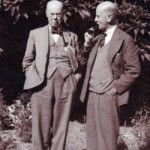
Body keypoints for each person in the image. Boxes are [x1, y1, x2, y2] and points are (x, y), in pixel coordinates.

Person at [80, 1, 141, 150]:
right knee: (92, 137)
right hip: (92, 94)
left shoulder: (125, 39)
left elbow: (134, 69)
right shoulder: (98, 38)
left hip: (109, 96)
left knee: (107, 139)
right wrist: (86, 45)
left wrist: (115, 88)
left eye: (98, 16)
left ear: (108, 17)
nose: (95, 19)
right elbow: (80, 62)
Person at [22, 0, 80, 150]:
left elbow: (79, 63)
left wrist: (74, 80)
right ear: (47, 14)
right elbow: (27, 61)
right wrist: (34, 79)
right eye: (52, 14)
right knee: (40, 124)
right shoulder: (35, 34)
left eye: (58, 14)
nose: (55, 17)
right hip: (41, 83)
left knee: (61, 123)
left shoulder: (72, 36)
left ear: (63, 15)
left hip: (66, 83)